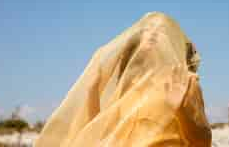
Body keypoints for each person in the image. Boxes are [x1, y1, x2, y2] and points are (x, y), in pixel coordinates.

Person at [34, 12, 211, 147]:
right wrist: (92, 91)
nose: (153, 38)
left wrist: (183, 111)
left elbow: (203, 141)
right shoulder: (129, 87)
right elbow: (97, 134)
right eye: (147, 34)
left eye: (159, 35)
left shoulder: (183, 82)